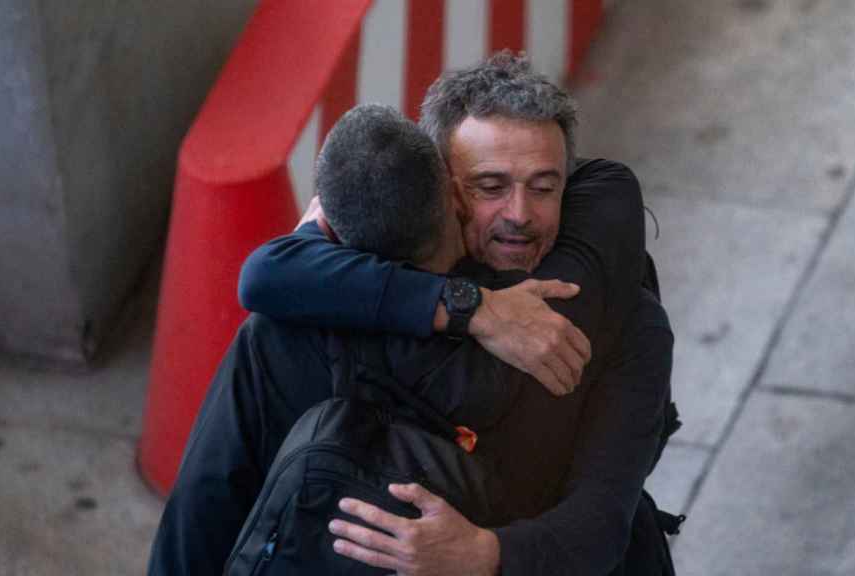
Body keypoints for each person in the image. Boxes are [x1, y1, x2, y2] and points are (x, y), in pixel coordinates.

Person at [238, 52, 674, 575]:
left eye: (544, 187)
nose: (520, 214)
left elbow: (600, 527)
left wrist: (483, 553)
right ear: (442, 188)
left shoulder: (629, 326)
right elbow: (265, 277)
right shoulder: (349, 293)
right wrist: (472, 309)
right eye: (490, 187)